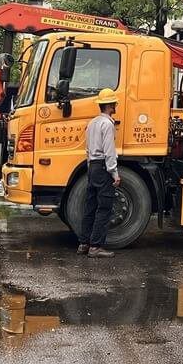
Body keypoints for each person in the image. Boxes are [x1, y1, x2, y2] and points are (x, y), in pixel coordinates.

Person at [77, 88, 121, 258]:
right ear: (109, 105)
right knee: (104, 208)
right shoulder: (108, 124)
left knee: (90, 206)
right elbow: (109, 151)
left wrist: (91, 167)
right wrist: (114, 173)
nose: (115, 106)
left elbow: (88, 149)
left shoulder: (92, 123)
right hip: (103, 168)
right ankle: (95, 247)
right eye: (114, 103)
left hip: (93, 167)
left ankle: (83, 244)